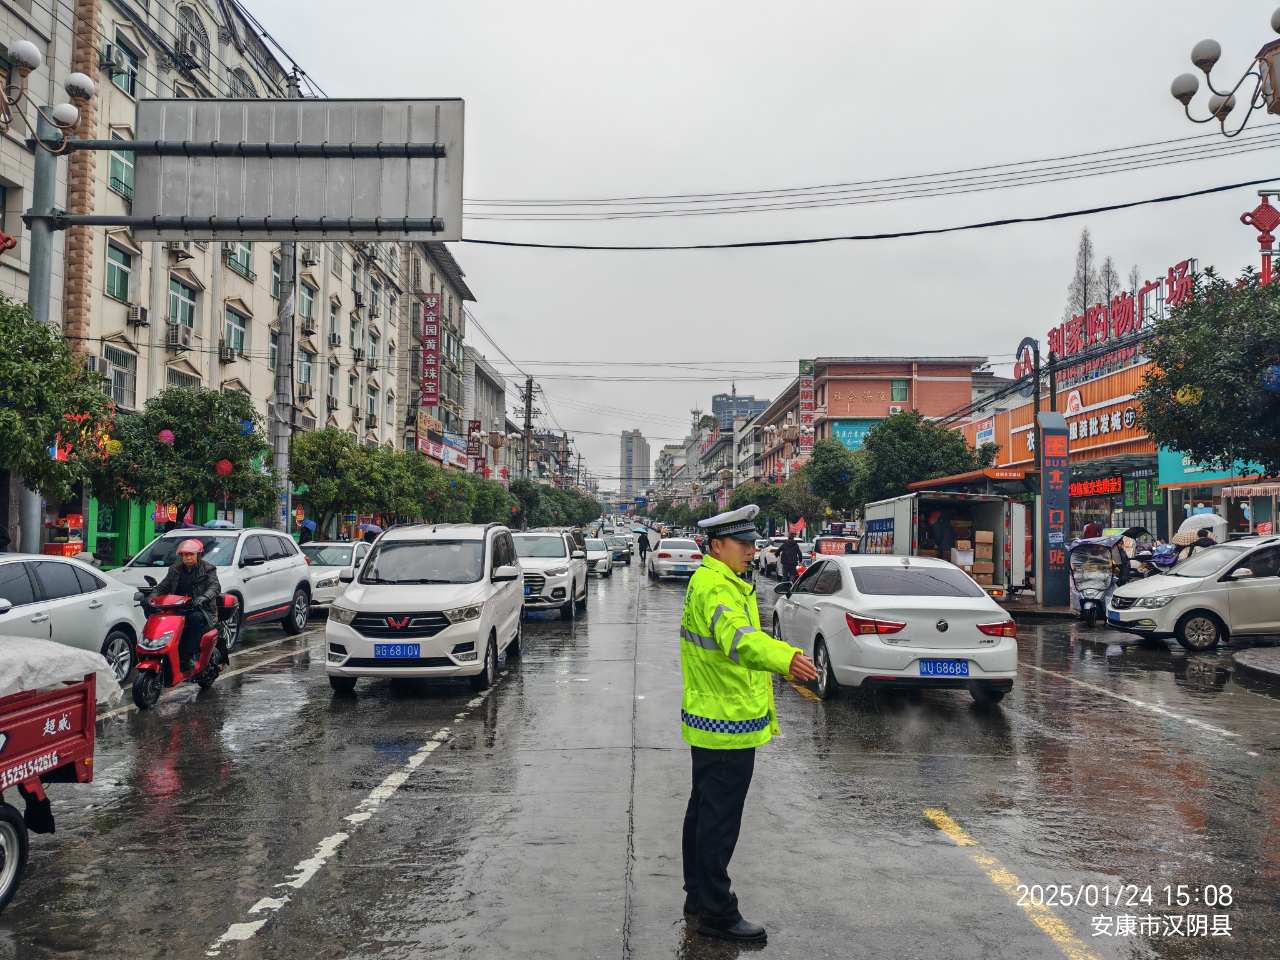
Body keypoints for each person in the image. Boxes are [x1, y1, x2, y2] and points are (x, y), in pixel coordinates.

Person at [679, 504, 818, 944]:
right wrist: (787, 658)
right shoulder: (718, 590)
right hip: (726, 721)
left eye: (753, 543)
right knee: (718, 822)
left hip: (715, 718)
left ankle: (699, 897)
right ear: (717, 545)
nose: (751, 551)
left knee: (703, 814)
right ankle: (718, 913)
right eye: (742, 543)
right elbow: (739, 641)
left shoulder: (717, 581)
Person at [151, 538, 221, 672]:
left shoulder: (208, 569)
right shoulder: (175, 569)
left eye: (190, 554)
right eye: (184, 555)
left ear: (198, 555)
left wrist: (203, 597)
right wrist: (151, 598)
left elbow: (215, 586)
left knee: (195, 619)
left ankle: (188, 656)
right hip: (176, 608)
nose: (187, 557)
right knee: (159, 620)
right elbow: (162, 587)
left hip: (201, 609)